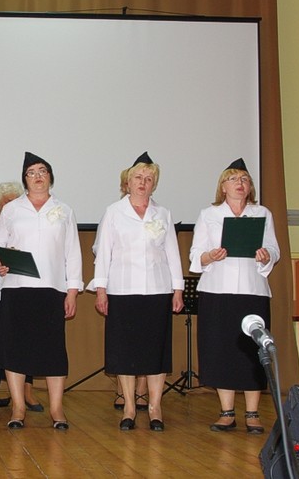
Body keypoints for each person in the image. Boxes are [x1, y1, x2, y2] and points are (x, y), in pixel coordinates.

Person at [89, 152, 184, 431]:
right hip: (122, 290)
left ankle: (155, 407)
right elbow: (103, 254)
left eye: (149, 178)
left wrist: (177, 289)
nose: (143, 182)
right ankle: (129, 407)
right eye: (138, 177)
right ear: (127, 182)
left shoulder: (163, 214)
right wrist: (101, 290)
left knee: (156, 351)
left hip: (157, 290)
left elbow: (172, 254)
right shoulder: (113, 212)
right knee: (125, 350)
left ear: (154, 184)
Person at [0, 152, 83, 430]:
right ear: (25, 179)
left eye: (42, 171)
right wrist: (2, 259)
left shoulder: (64, 210)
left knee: (53, 351)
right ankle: (18, 408)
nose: (37, 176)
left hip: (52, 289)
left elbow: (73, 253)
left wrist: (72, 291)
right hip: (17, 288)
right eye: (31, 172)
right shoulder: (12, 209)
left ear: (50, 177)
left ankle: (56, 409)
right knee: (15, 349)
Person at [190, 158, 279, 434]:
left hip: (252, 291)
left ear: (250, 187)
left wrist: (266, 256)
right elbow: (196, 254)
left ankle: (253, 413)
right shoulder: (209, 214)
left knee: (252, 351)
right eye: (233, 179)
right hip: (218, 292)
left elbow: (274, 250)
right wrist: (210, 256)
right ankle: (226, 412)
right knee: (222, 350)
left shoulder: (262, 213)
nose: (240, 183)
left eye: (244, 179)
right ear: (223, 187)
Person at [0, 182, 45, 412]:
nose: (11, 206)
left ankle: (27, 394)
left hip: (19, 292)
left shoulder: (27, 225)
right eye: (7, 202)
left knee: (24, 342)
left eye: (15, 201)